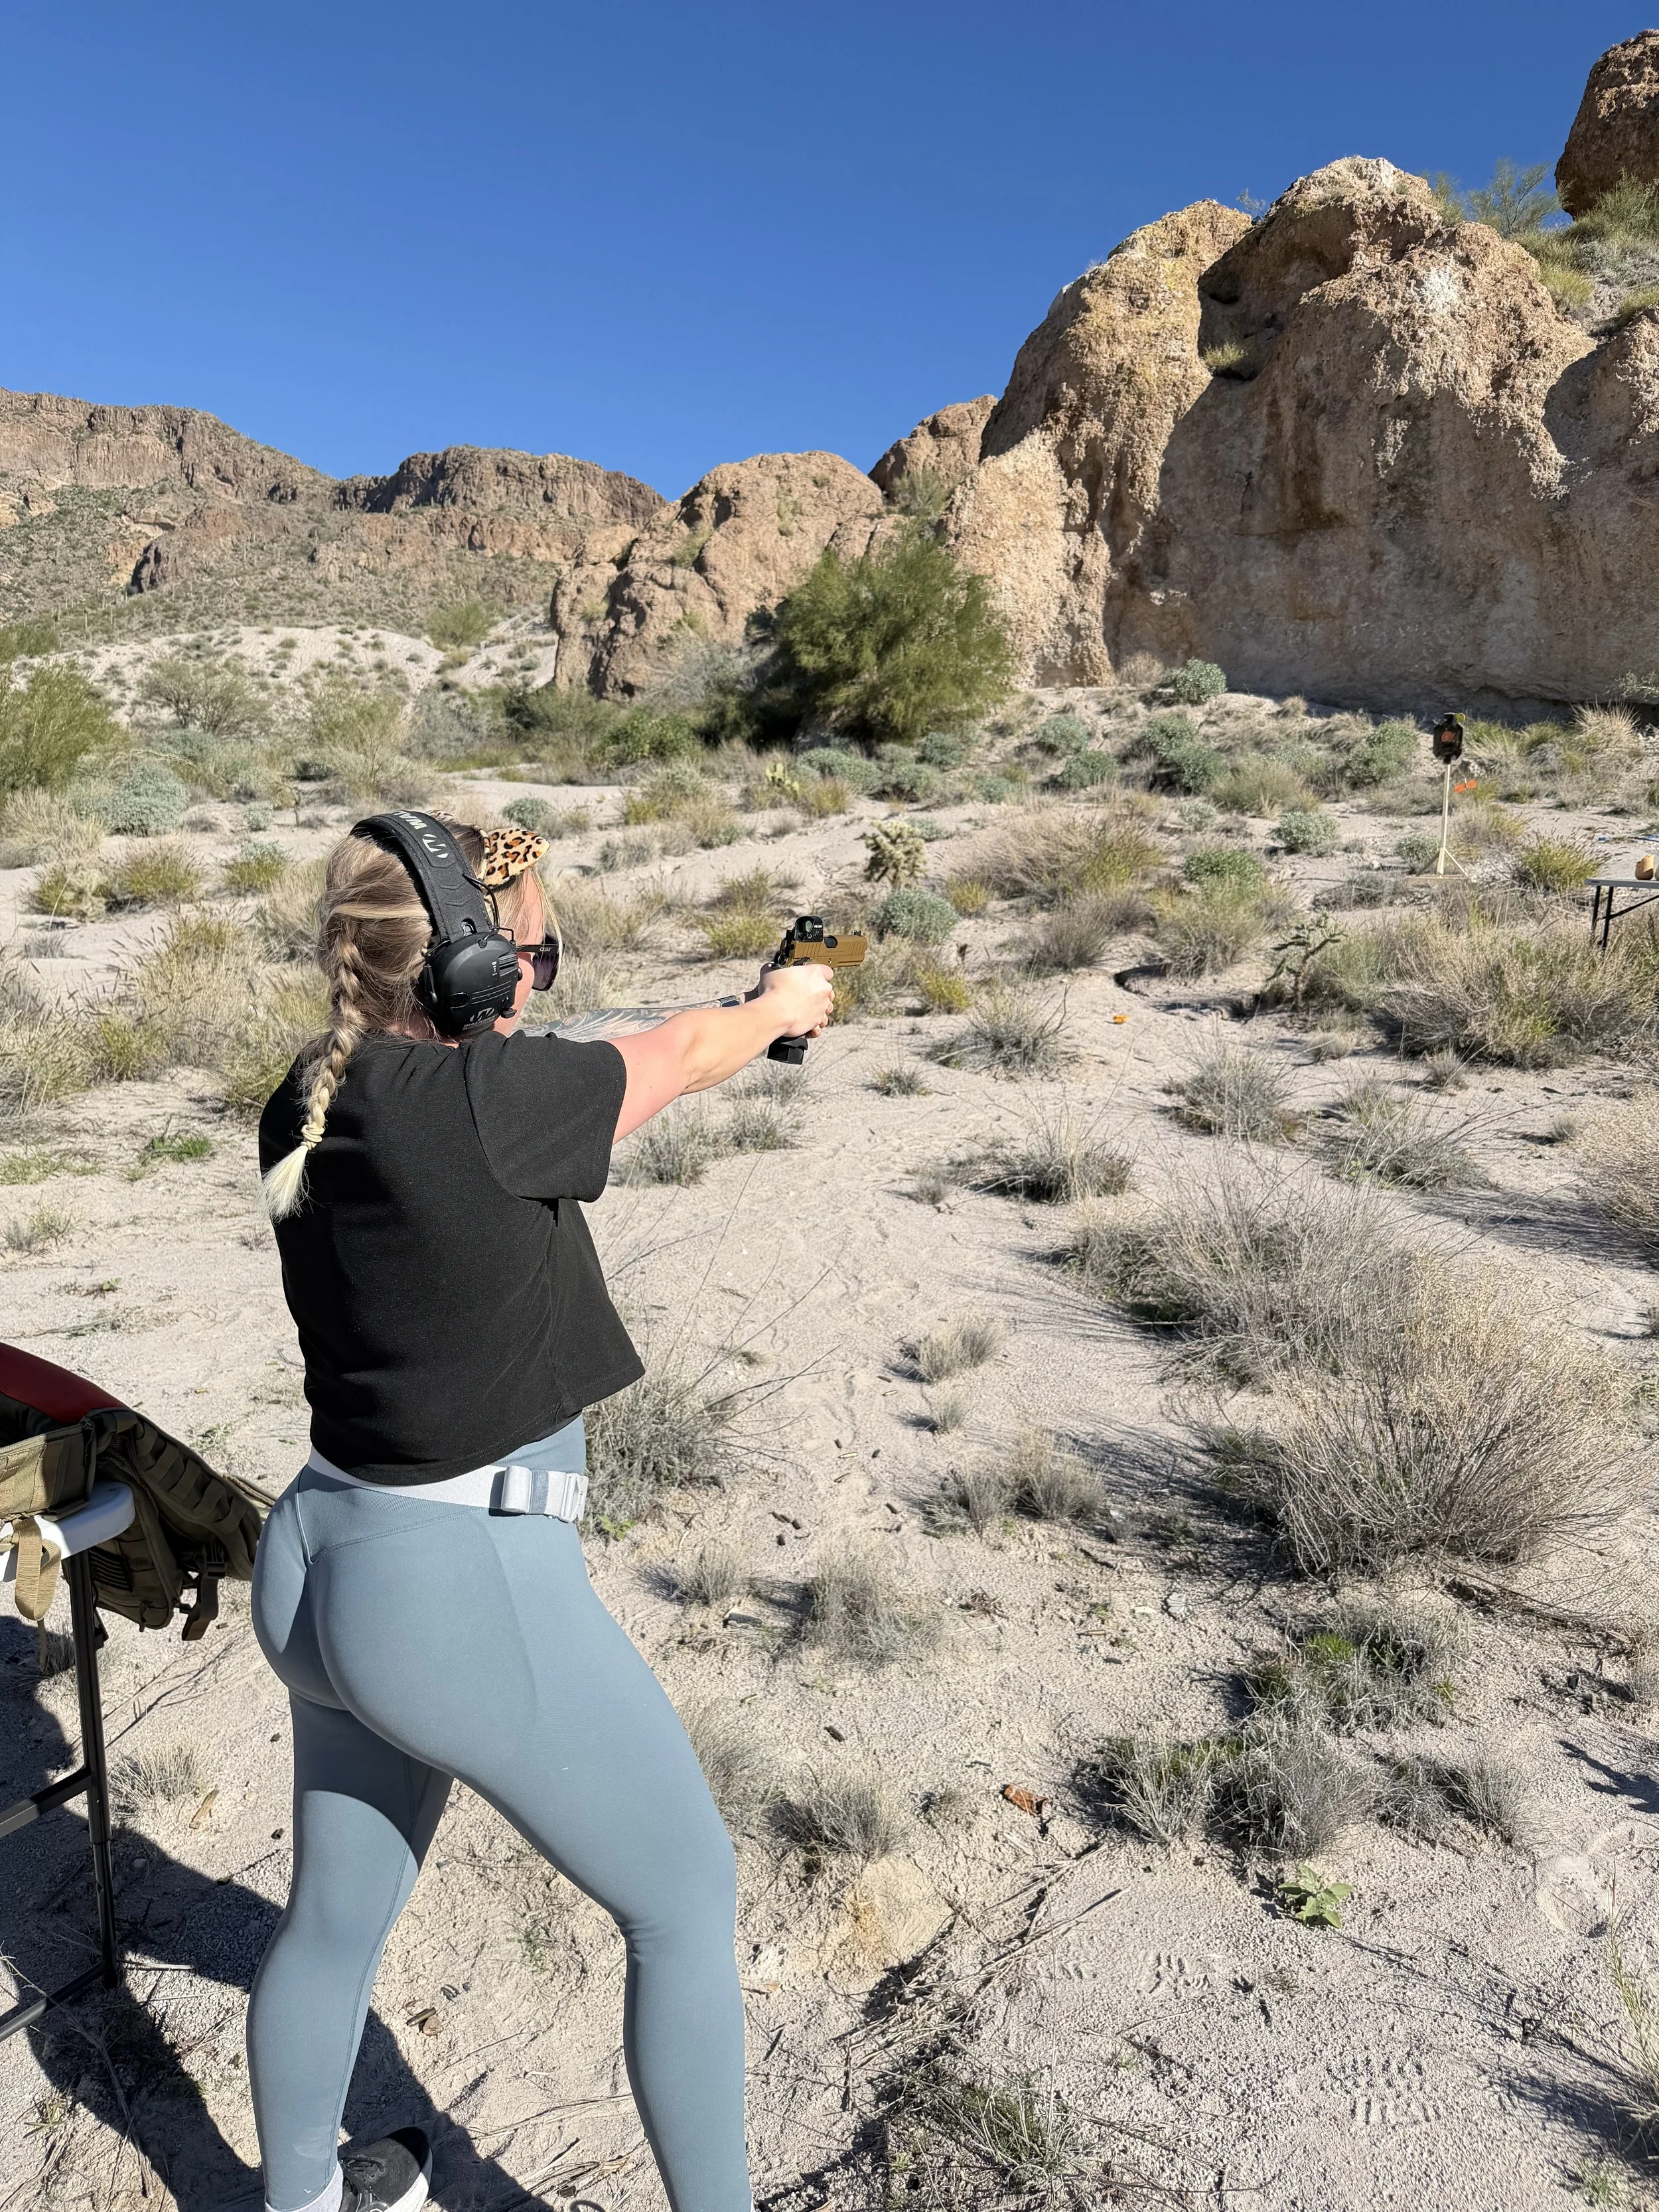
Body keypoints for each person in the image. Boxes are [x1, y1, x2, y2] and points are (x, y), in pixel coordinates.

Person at [248, 814, 833, 2212]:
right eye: (531, 953)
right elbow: (684, 1053)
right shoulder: (496, 1107)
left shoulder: (308, 1094)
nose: (536, 979)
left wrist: (734, 1017)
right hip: (454, 1584)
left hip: (321, 1551)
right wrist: (780, 1006)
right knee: (684, 1900)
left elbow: (566, 1078)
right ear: (459, 966)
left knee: (329, 1923)